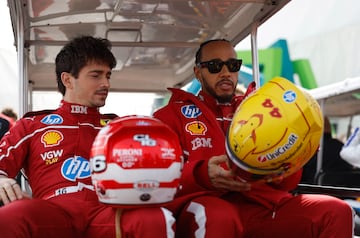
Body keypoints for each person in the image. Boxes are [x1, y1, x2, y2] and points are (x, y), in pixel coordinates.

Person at [154, 39, 354, 238]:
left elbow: (288, 184)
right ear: (198, 72)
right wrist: (201, 174)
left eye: (232, 65)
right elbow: (156, 177)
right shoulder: (171, 116)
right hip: (206, 204)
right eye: (215, 66)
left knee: (336, 211)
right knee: (218, 215)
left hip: (261, 206)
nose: (225, 73)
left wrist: (283, 167)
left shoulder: (261, 109)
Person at [0, 36, 175, 238]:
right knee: (10, 216)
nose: (106, 83)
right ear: (67, 80)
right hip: (53, 214)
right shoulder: (31, 125)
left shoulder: (121, 129)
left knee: (154, 218)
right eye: (96, 75)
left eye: (108, 75)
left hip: (107, 211)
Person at [302, 116, 357, 186]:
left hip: (315, 190)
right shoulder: (342, 147)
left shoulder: (311, 148)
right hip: (346, 190)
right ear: (330, 128)